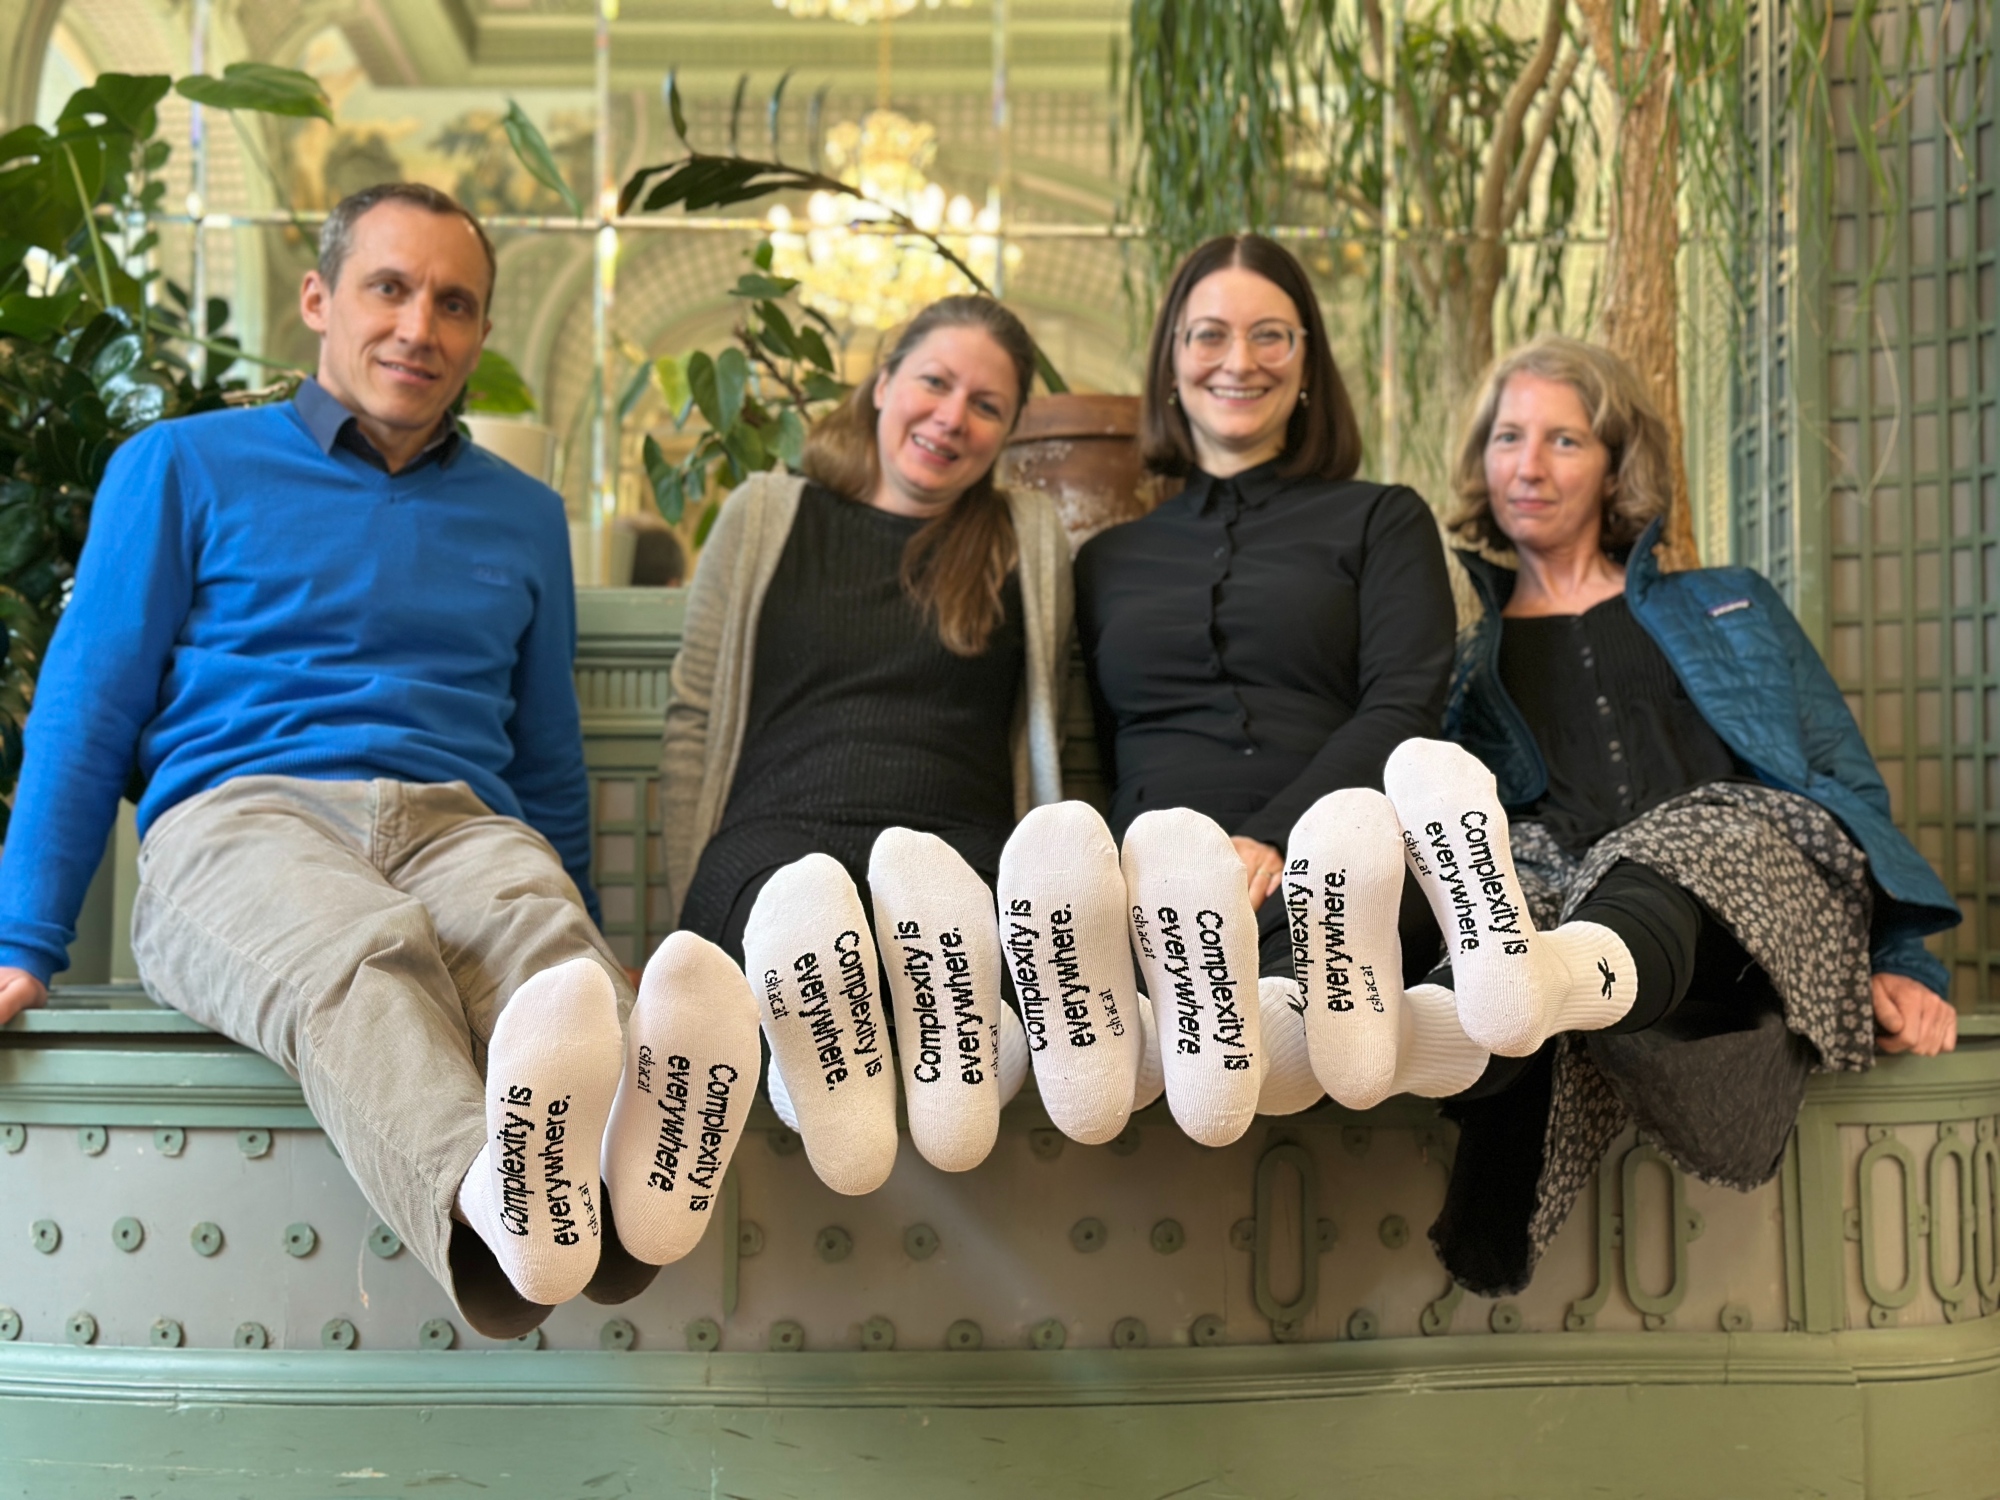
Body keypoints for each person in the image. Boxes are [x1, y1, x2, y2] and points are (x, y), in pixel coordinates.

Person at [0, 184, 761, 1339]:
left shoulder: (522, 515)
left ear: (481, 333)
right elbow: (84, 705)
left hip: (461, 823)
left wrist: (581, 914)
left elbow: (546, 756)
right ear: (319, 298)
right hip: (242, 820)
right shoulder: (180, 465)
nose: (419, 327)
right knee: (363, 953)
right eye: (389, 289)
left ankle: (634, 1190)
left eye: (453, 304)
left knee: (543, 952)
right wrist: (21, 943)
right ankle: (495, 1206)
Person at [1307, 334, 1961, 1296]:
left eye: (1565, 440)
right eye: (1508, 437)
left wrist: (1904, 957)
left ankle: (1542, 981)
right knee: (1504, 884)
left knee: (1695, 831)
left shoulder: (1730, 603)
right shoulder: (1462, 649)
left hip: (1743, 911)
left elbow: (1840, 781)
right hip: (1557, 904)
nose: (1529, 466)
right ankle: (1475, 1009)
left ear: (1617, 465)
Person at [659, 295, 1071, 1183]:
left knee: (944, 921)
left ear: (1007, 433)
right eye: (934, 382)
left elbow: (1056, 731)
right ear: (882, 384)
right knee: (801, 918)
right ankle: (940, 1045)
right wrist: (689, 905)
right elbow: (694, 719)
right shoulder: (765, 514)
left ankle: (878, 1052)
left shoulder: (1024, 537)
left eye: (986, 405)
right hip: (772, 847)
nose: (951, 417)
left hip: (956, 860)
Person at [1069, 234, 1456, 1122]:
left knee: (1340, 905)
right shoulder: (1104, 561)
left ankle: (1213, 1018)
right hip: (1150, 870)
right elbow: (1103, 749)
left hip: (1329, 853)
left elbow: (1405, 702)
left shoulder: (1383, 520)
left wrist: (1275, 837)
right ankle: (1224, 1009)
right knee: (1114, 917)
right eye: (1209, 335)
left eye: (1270, 335)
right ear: (1171, 363)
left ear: (1308, 361)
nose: (1239, 361)